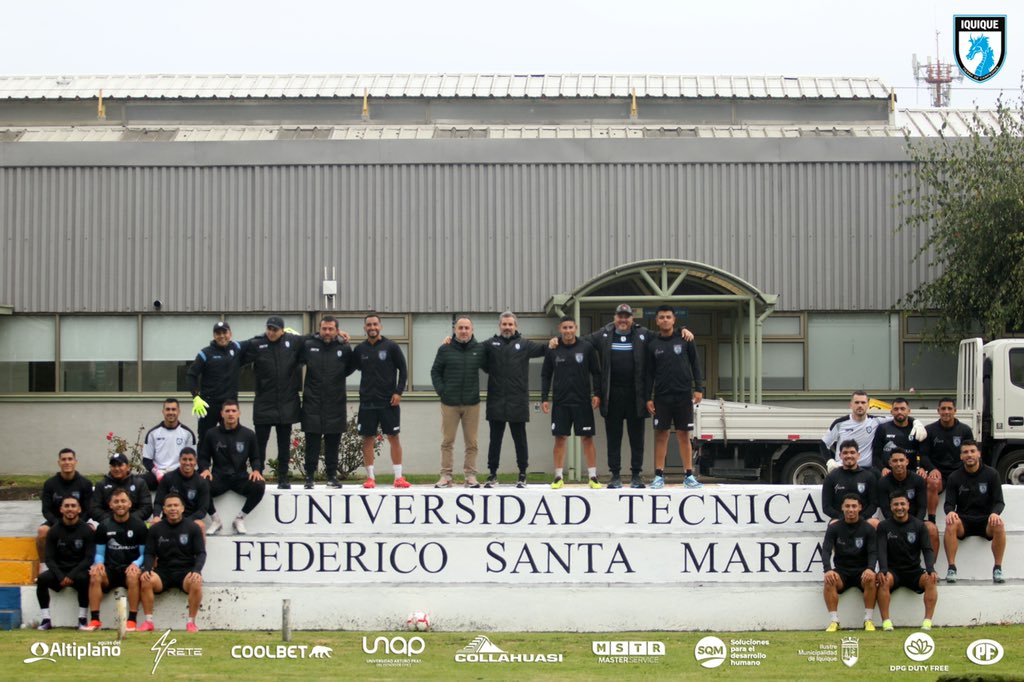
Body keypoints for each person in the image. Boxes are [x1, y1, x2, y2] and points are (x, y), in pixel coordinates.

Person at [481, 312, 546, 489]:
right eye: (504, 324)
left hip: (518, 400)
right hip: (496, 400)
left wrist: (557, 342)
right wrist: (451, 341)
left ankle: (522, 474)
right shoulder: (490, 344)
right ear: (499, 326)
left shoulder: (524, 345)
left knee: (520, 439)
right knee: (495, 440)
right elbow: (472, 351)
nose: (507, 327)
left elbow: (545, 349)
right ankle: (492, 474)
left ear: (516, 326)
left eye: (510, 324)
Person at [242, 315, 305, 489]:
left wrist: (339, 335)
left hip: (286, 404)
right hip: (264, 403)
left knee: (284, 444)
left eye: (275, 329)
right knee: (260, 444)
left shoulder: (293, 342)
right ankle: (258, 473)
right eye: (269, 328)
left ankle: (283, 477)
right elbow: (237, 352)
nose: (271, 332)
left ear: (282, 330)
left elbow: (315, 339)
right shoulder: (257, 344)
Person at [645, 305, 703, 489]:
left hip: (683, 395)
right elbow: (649, 374)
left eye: (668, 317)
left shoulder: (685, 339)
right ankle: (659, 476)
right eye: (661, 317)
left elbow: (695, 363)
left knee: (683, 435)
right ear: (656, 320)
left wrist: (698, 388)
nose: (665, 320)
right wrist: (648, 397)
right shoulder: (653, 344)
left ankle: (688, 475)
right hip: (661, 397)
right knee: (661, 435)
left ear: (674, 319)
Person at [541, 316, 603, 490]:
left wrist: (597, 393)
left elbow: (596, 372)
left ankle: (593, 477)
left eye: (570, 327)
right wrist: (544, 398)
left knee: (587, 438)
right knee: (560, 438)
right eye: (564, 328)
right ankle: (558, 476)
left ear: (576, 328)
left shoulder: (587, 347)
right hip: (560, 402)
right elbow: (546, 375)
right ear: (560, 329)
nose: (568, 331)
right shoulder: (553, 348)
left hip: (582, 401)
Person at [351, 314, 409, 488]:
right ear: (365, 328)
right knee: (367, 439)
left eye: (375, 324)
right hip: (367, 402)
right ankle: (370, 478)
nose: (372, 327)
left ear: (380, 327)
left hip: (388, 402)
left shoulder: (391, 347)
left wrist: (398, 392)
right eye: (369, 325)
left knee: (393, 437)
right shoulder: (360, 349)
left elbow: (403, 370)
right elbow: (350, 367)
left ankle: (398, 477)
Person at [300, 315, 356, 489]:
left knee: (333, 442)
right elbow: (296, 343)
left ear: (337, 330)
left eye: (331, 329)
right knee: (312, 442)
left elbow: (349, 368)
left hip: (335, 402)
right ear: (319, 329)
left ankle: (332, 476)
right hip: (313, 401)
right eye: (324, 328)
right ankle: (310, 477)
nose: (327, 332)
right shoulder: (309, 346)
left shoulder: (345, 348)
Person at [431, 316, 487, 488]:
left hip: (472, 403)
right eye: (460, 328)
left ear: (472, 330)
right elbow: (435, 372)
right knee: (447, 441)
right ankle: (446, 476)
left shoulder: (480, 349)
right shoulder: (445, 349)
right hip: (450, 403)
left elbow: (492, 366)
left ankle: (470, 476)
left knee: (472, 442)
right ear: (455, 330)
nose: (463, 331)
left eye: (467, 328)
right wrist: (443, 391)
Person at [80, 489, 147, 632]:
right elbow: (99, 553)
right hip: (110, 569)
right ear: (110, 505)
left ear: (130, 504)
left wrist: (135, 564)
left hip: (129, 568)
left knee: (134, 575)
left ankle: (131, 621)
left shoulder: (139, 525)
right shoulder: (104, 526)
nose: (120, 504)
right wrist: (98, 563)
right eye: (116, 502)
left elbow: (144, 554)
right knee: (95, 575)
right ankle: (95, 620)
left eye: (123, 501)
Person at [139, 493, 205, 633]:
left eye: (176, 505)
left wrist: (197, 570)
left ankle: (191, 622)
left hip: (185, 571)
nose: (172, 508)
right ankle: (148, 621)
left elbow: (200, 553)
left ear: (182, 508)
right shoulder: (156, 529)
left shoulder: (193, 528)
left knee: (196, 581)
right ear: (164, 509)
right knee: (146, 579)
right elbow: (149, 553)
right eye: (169, 506)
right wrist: (147, 568)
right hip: (163, 572)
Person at [943, 439, 1007, 584]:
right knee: (951, 522)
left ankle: (997, 568)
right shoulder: (954, 477)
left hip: (986, 520)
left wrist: (994, 513)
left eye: (972, 451)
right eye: (965, 452)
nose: (969, 455)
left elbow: (999, 502)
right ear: (961, 456)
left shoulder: (992, 474)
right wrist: (950, 512)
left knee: (999, 524)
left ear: (979, 454)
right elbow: (948, 504)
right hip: (964, 521)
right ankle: (951, 568)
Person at [198, 400, 265, 535]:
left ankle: (240, 518)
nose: (230, 414)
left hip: (240, 478)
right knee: (200, 484)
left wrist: (256, 470)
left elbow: (256, 457)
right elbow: (203, 456)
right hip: (218, 478)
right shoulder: (212, 434)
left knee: (259, 485)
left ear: (239, 413)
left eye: (233, 411)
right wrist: (205, 469)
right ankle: (215, 520)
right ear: (222, 414)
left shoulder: (248, 434)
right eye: (227, 411)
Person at [876, 489, 939, 631]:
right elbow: (881, 550)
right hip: (893, 572)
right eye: (896, 504)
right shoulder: (884, 526)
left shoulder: (919, 525)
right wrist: (883, 569)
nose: (899, 507)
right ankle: (886, 622)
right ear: (891, 507)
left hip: (914, 571)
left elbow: (927, 549)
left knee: (931, 579)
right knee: (883, 580)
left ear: (908, 505)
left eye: (902, 504)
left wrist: (930, 568)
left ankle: (927, 622)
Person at [822, 391, 925, 473]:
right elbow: (823, 443)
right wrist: (829, 461)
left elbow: (899, 416)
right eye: (857, 402)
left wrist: (916, 422)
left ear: (868, 405)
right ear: (851, 405)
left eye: (863, 402)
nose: (860, 405)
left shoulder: (875, 421)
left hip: (866, 470)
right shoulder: (840, 423)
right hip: (843, 467)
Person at [821, 493, 878, 632]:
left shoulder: (868, 528)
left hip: (862, 571)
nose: (850, 509)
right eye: (847, 506)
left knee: (872, 578)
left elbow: (873, 552)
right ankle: (834, 621)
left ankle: (868, 620)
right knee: (829, 580)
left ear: (860, 508)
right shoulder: (834, 528)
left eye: (854, 506)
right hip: (842, 571)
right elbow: (826, 550)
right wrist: (827, 569)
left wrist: (870, 568)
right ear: (842, 507)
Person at [36, 496, 94, 630]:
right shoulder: (54, 531)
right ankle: (46, 619)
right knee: (42, 579)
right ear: (61, 509)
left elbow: (88, 558)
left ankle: (82, 619)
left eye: (73, 506)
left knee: (85, 579)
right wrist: (61, 576)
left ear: (79, 509)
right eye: (67, 506)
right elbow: (49, 558)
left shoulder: (86, 530)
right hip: (59, 571)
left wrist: (71, 575)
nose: (70, 509)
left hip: (78, 571)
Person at [187, 321, 247, 444]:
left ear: (230, 334)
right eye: (218, 333)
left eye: (224, 332)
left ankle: (227, 464)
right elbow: (191, 375)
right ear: (214, 336)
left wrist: (283, 334)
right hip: (209, 405)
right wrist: (196, 397)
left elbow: (255, 343)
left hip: (229, 405)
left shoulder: (236, 348)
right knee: (205, 440)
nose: (222, 336)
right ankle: (204, 464)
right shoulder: (205, 353)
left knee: (231, 440)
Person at [921, 397, 975, 522]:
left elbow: (970, 452)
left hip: (959, 471)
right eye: (943, 409)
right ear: (938, 411)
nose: (946, 411)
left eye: (949, 408)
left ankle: (968, 517)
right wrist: (932, 469)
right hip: (939, 472)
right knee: (933, 483)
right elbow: (923, 455)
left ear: (955, 410)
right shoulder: (929, 430)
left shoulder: (965, 430)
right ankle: (932, 520)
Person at [38, 448, 92, 569]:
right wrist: (60, 524)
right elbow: (46, 510)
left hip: (79, 521)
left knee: (92, 530)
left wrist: (78, 523)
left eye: (70, 459)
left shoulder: (85, 483)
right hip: (56, 521)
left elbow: (89, 510)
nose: (67, 462)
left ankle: (88, 566)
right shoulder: (50, 484)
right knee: (42, 531)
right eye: (63, 459)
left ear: (75, 462)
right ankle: (43, 567)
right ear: (59, 463)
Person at [877, 448, 938, 555]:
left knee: (932, 529)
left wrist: (915, 525)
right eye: (895, 461)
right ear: (890, 463)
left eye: (901, 460)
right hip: (893, 522)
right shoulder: (883, 482)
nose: (898, 464)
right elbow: (886, 509)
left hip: (915, 521)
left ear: (907, 461)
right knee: (878, 527)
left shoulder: (917, 480)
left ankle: (930, 569)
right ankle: (884, 568)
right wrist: (897, 523)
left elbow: (922, 507)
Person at [141, 398, 197, 491]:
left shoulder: (188, 433)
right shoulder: (153, 433)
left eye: (173, 409)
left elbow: (192, 459)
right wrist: (157, 472)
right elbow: (147, 460)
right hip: (157, 475)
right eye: (168, 409)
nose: (170, 412)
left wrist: (180, 472)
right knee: (137, 482)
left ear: (179, 411)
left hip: (180, 474)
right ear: (163, 411)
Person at [821, 440, 879, 527]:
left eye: (852, 452)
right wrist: (842, 517)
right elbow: (826, 507)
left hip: (863, 519)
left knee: (875, 523)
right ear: (840, 455)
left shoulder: (869, 476)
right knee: (833, 524)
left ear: (858, 455)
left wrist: (861, 518)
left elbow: (873, 504)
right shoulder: (831, 477)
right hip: (840, 519)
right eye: (845, 453)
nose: (849, 456)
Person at [154, 447, 211, 531]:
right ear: (179, 460)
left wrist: (184, 522)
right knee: (154, 524)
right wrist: (156, 516)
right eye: (184, 459)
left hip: (191, 520)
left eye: (190, 459)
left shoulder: (202, 482)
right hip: (169, 518)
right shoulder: (168, 478)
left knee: (201, 525)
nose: (187, 463)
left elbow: (203, 510)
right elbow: (158, 502)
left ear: (195, 461)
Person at [90, 454, 153, 524]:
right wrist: (113, 520)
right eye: (113, 466)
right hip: (108, 525)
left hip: (134, 524)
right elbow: (94, 509)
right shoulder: (101, 485)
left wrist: (129, 519)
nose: (117, 468)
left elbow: (147, 507)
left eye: (120, 465)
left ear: (128, 467)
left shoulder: (139, 483)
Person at [872, 398, 927, 475]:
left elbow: (924, 454)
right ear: (891, 412)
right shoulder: (883, 428)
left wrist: (922, 467)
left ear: (909, 411)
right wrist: (882, 468)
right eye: (896, 409)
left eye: (902, 409)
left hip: (911, 472)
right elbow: (876, 455)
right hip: (888, 472)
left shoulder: (917, 429)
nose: (899, 411)